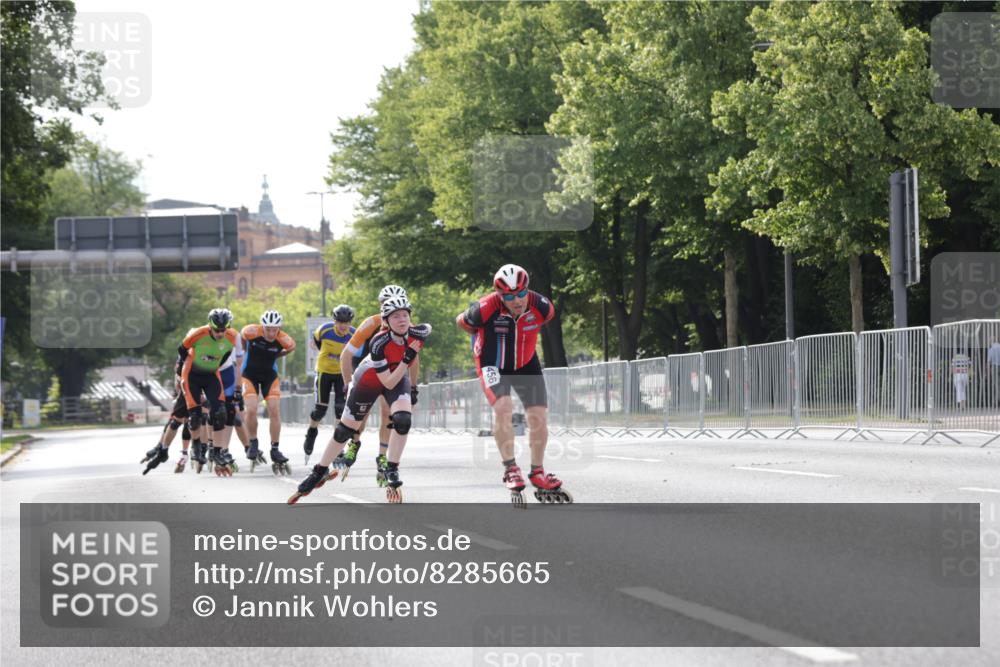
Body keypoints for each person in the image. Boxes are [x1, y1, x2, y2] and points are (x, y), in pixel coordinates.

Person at [289, 296, 430, 504]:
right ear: (386, 321)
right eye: (396, 316)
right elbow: (388, 382)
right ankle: (319, 471)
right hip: (369, 380)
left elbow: (419, 349)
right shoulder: (378, 342)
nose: (402, 320)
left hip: (398, 376)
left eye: (405, 315)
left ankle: (392, 469)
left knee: (402, 420)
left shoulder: (418, 333)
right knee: (344, 431)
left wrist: (413, 386)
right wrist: (407, 358)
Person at [455, 263, 571, 505]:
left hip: (526, 363)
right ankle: (510, 468)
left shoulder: (542, 306)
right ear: (500, 295)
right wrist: (478, 340)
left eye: (520, 294)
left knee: (538, 416)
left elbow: (544, 319)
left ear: (527, 289)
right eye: (509, 296)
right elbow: (462, 322)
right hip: (492, 363)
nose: (517, 300)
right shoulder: (485, 308)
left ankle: (537, 472)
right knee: (504, 409)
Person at [337, 285, 419, 483]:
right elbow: (346, 354)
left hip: (391, 371)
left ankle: (382, 455)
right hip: (366, 369)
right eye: (385, 305)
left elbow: (414, 358)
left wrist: (414, 386)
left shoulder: (406, 325)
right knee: (361, 415)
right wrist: (348, 382)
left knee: (387, 412)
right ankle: (354, 443)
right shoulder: (371, 322)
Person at [143, 309, 238, 475]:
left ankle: (217, 452)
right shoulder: (199, 334)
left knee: (221, 412)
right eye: (217, 330)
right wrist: (186, 367)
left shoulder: (231, 337)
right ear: (210, 326)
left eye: (223, 330)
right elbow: (182, 349)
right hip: (191, 375)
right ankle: (192, 447)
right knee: (193, 418)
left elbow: (226, 355)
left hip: (210, 375)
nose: (220, 333)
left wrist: (211, 365)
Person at [241, 310, 296, 474]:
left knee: (274, 410)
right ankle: (253, 442)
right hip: (249, 375)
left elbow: (291, 348)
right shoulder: (250, 331)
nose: (272, 333)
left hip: (269, 376)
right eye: (268, 329)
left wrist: (276, 355)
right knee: (251, 409)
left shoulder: (285, 340)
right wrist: (246, 352)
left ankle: (275, 448)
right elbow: (242, 338)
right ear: (262, 327)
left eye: (275, 329)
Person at [303, 304, 356, 464]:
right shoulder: (324, 330)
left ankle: (338, 448)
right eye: (340, 322)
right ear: (334, 321)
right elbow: (316, 342)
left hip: (341, 373)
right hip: (324, 372)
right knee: (320, 409)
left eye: (346, 323)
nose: (343, 326)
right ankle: (312, 432)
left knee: (340, 409)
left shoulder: (354, 334)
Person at [988, 339, 1000, 408]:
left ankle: (995, 402)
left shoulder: (991, 349)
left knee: (996, 385)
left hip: (994, 367)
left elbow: (989, 360)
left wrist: (988, 370)